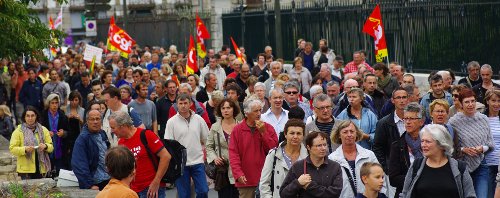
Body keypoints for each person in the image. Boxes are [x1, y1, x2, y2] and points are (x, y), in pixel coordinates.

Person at [401, 124, 476, 198]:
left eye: (428, 141)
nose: (423, 145)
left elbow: (470, 195)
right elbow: (404, 194)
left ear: (441, 144)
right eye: (422, 141)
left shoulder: (460, 168)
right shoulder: (416, 165)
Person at [108, 111, 171, 198]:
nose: (111, 131)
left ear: (122, 126)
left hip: (151, 189)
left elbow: (166, 157)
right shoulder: (121, 142)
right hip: (133, 190)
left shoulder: (146, 135)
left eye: (113, 127)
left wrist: (156, 182)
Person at [229, 97, 278, 198]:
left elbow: (273, 151)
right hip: (246, 179)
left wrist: (264, 133)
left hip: (266, 178)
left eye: (260, 110)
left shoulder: (268, 128)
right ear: (246, 113)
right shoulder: (237, 130)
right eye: (255, 111)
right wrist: (238, 174)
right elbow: (233, 154)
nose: (259, 113)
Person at [449, 88, 494, 198]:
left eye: (472, 101)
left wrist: (482, 148)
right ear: (461, 104)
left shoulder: (483, 119)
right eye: (467, 102)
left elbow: (490, 144)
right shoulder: (454, 121)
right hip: (461, 166)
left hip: (481, 164)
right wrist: (463, 150)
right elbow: (450, 147)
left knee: (481, 195)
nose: (470, 104)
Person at [329, 120, 392, 197]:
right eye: (345, 132)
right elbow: (330, 186)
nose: (349, 135)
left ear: (357, 133)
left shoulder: (369, 155)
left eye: (352, 131)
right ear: (339, 135)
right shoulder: (332, 159)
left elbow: (381, 178)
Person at [164, 93, 209, 198]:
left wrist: (207, 155)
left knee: (203, 190)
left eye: (185, 103)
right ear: (177, 105)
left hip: (198, 161)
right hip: (181, 164)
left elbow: (207, 139)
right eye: (180, 103)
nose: (183, 105)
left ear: (190, 104)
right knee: (184, 195)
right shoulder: (171, 122)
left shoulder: (198, 119)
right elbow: (168, 144)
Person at [280, 131, 343, 197]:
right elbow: (283, 194)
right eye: (319, 145)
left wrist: (310, 186)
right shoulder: (298, 166)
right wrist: (298, 183)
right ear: (308, 147)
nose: (323, 148)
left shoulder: (335, 167)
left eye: (325, 145)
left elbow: (334, 194)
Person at [259, 119, 309, 198]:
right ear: (285, 134)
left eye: (299, 133)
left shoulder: (309, 156)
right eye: (292, 133)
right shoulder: (273, 154)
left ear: (303, 136)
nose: (295, 136)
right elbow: (264, 183)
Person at [388, 102, 426, 196]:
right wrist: (417, 179)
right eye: (406, 118)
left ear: (421, 121)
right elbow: (393, 179)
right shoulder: (397, 145)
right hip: (406, 193)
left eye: (412, 118)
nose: (408, 122)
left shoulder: (430, 142)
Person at [206, 98, 241, 198]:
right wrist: (214, 158)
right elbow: (209, 146)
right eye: (223, 108)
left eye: (228, 108)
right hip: (222, 169)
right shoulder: (215, 127)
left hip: (238, 168)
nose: (225, 110)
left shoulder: (241, 126)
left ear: (234, 109)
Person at [9, 106, 53, 179]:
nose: (30, 118)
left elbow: (51, 147)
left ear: (36, 116)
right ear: (24, 117)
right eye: (28, 116)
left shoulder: (43, 129)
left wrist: (45, 146)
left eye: (32, 116)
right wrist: (25, 149)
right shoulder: (18, 131)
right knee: (27, 190)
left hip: (41, 168)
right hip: (25, 170)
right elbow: (12, 149)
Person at [72, 110, 110, 190]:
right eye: (92, 119)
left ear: (101, 120)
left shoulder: (103, 133)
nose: (95, 122)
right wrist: (89, 185)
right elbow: (79, 164)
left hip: (108, 179)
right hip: (95, 183)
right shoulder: (82, 139)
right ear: (87, 121)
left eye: (97, 119)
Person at [373, 87, 409, 172]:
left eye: (404, 97)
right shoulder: (383, 123)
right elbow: (377, 148)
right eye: (398, 98)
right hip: (392, 170)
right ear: (392, 100)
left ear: (408, 99)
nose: (401, 100)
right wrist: (386, 167)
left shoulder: (415, 120)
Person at [41, 94, 69, 176]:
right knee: (48, 174)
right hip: (47, 149)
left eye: (56, 103)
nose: (54, 105)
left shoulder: (62, 115)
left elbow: (69, 131)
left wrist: (64, 133)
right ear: (48, 104)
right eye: (52, 103)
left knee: (60, 172)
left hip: (60, 148)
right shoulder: (43, 115)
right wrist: (46, 133)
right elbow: (38, 130)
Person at [483, 88, 500, 197]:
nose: (497, 104)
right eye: (493, 100)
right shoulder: (481, 118)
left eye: (499, 101)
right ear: (487, 101)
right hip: (487, 164)